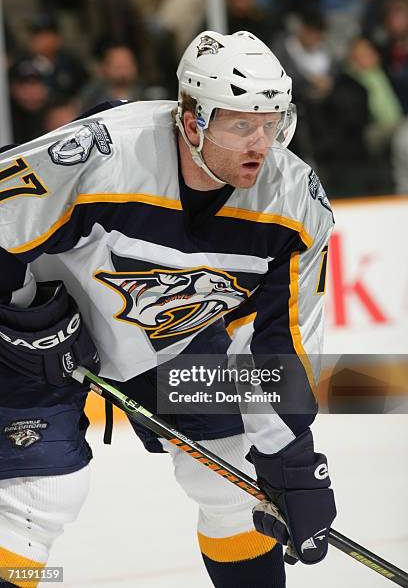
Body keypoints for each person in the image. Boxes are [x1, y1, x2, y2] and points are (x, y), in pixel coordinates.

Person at [0, 31, 336, 588]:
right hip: (41, 337)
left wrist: (293, 460)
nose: (260, 143)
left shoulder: (295, 203)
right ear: (191, 117)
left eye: (272, 123)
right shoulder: (104, 153)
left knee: (239, 481)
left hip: (177, 340)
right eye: (240, 124)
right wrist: (20, 314)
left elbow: (281, 340)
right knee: (38, 497)